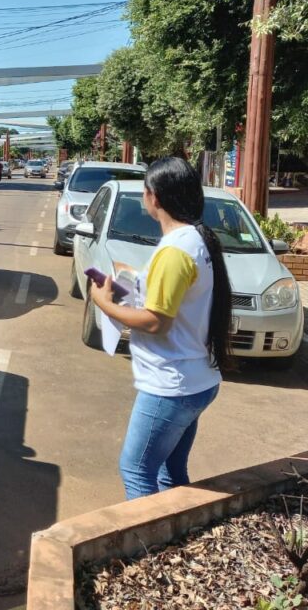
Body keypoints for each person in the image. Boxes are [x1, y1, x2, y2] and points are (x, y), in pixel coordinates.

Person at [89, 157, 231, 500]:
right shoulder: (196, 238)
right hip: (196, 380)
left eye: (144, 192)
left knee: (136, 469)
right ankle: (175, 536)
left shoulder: (175, 250)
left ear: (155, 198)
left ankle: (147, 550)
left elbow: (156, 321)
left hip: (171, 385)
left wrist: (104, 302)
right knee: (170, 471)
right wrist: (135, 278)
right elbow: (176, 299)